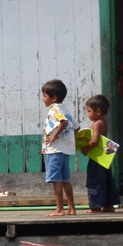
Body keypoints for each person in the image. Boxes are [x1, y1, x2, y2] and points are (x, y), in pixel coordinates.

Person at [41, 79, 80, 217]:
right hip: (65, 150)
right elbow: (76, 127)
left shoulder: (54, 110)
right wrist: (69, 140)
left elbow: (62, 122)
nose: (42, 98)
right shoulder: (65, 109)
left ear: (53, 98)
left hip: (54, 150)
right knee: (65, 180)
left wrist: (53, 137)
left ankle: (59, 209)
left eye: (45, 96)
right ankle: (72, 208)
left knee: (56, 181)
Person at [80, 95, 120, 213]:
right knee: (106, 179)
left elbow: (94, 141)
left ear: (98, 112)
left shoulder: (97, 123)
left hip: (97, 158)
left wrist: (85, 149)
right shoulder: (103, 122)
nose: (87, 114)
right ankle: (108, 205)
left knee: (95, 180)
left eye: (89, 111)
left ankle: (96, 207)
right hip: (104, 158)